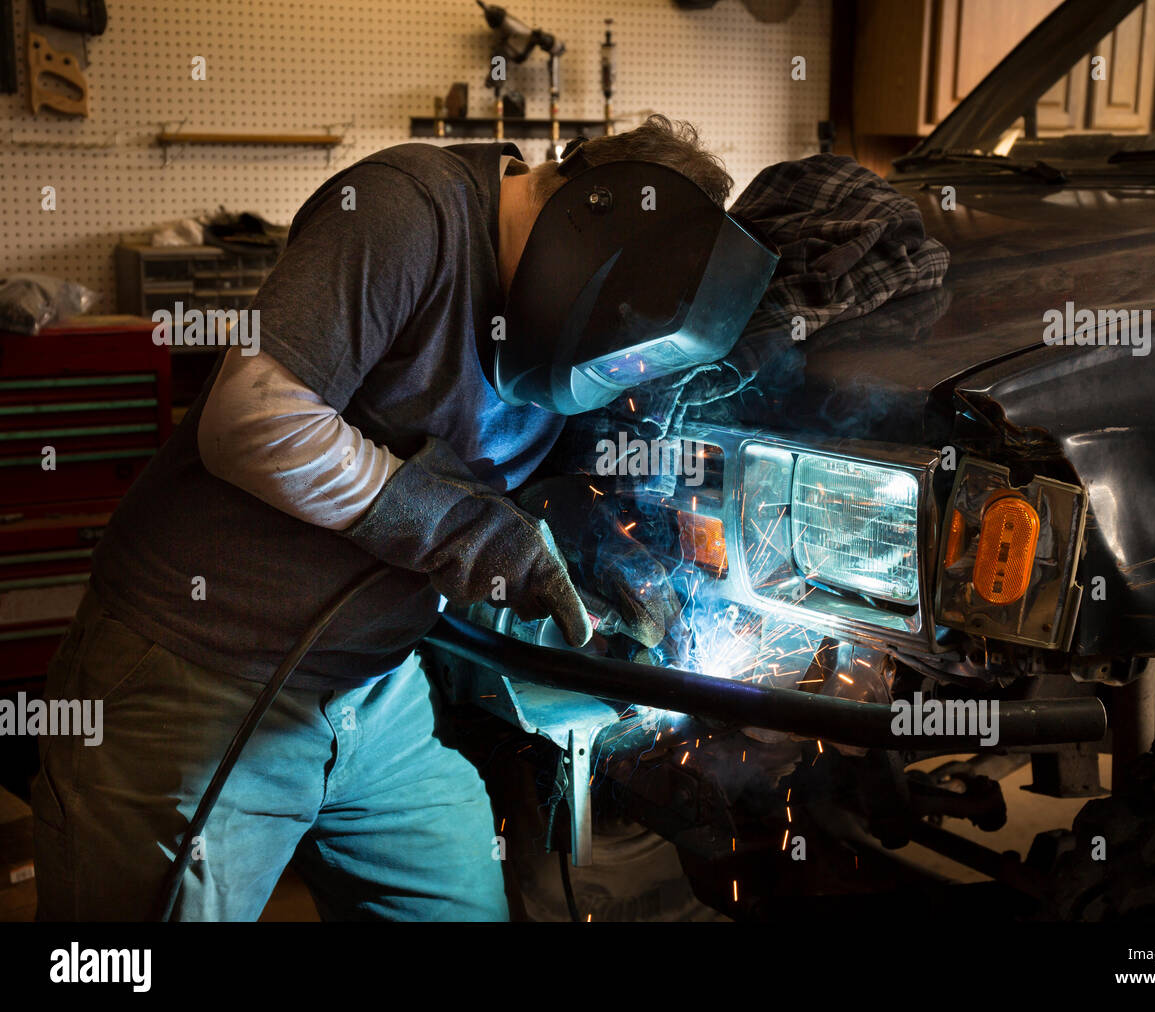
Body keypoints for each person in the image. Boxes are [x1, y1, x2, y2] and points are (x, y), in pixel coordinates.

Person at [30, 115, 766, 921]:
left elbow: (514, 481)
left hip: (373, 694)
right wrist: (477, 536)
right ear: (589, 226)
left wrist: (603, 551)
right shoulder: (405, 207)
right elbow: (253, 423)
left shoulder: (556, 331)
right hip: (196, 680)